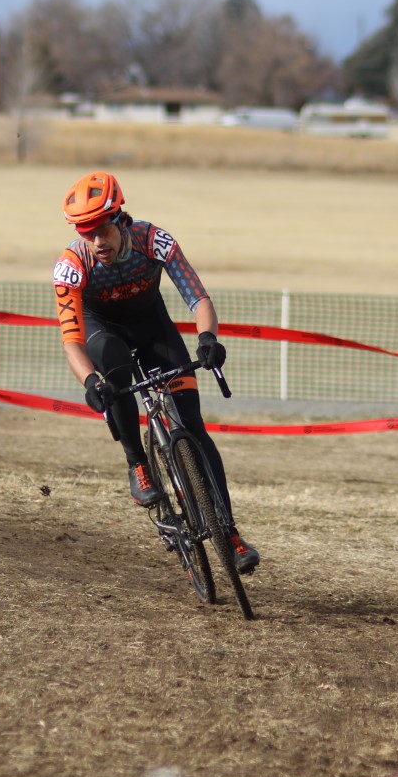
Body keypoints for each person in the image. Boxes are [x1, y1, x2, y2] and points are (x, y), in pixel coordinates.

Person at [51, 170, 259, 574]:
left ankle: (230, 534)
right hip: (102, 330)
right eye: (85, 232)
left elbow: (197, 296)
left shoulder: (154, 242)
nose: (96, 242)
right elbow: (72, 340)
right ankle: (137, 461)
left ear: (121, 220)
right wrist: (91, 382)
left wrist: (208, 338)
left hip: (153, 327)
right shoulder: (72, 266)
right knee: (115, 368)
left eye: (102, 231)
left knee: (194, 426)